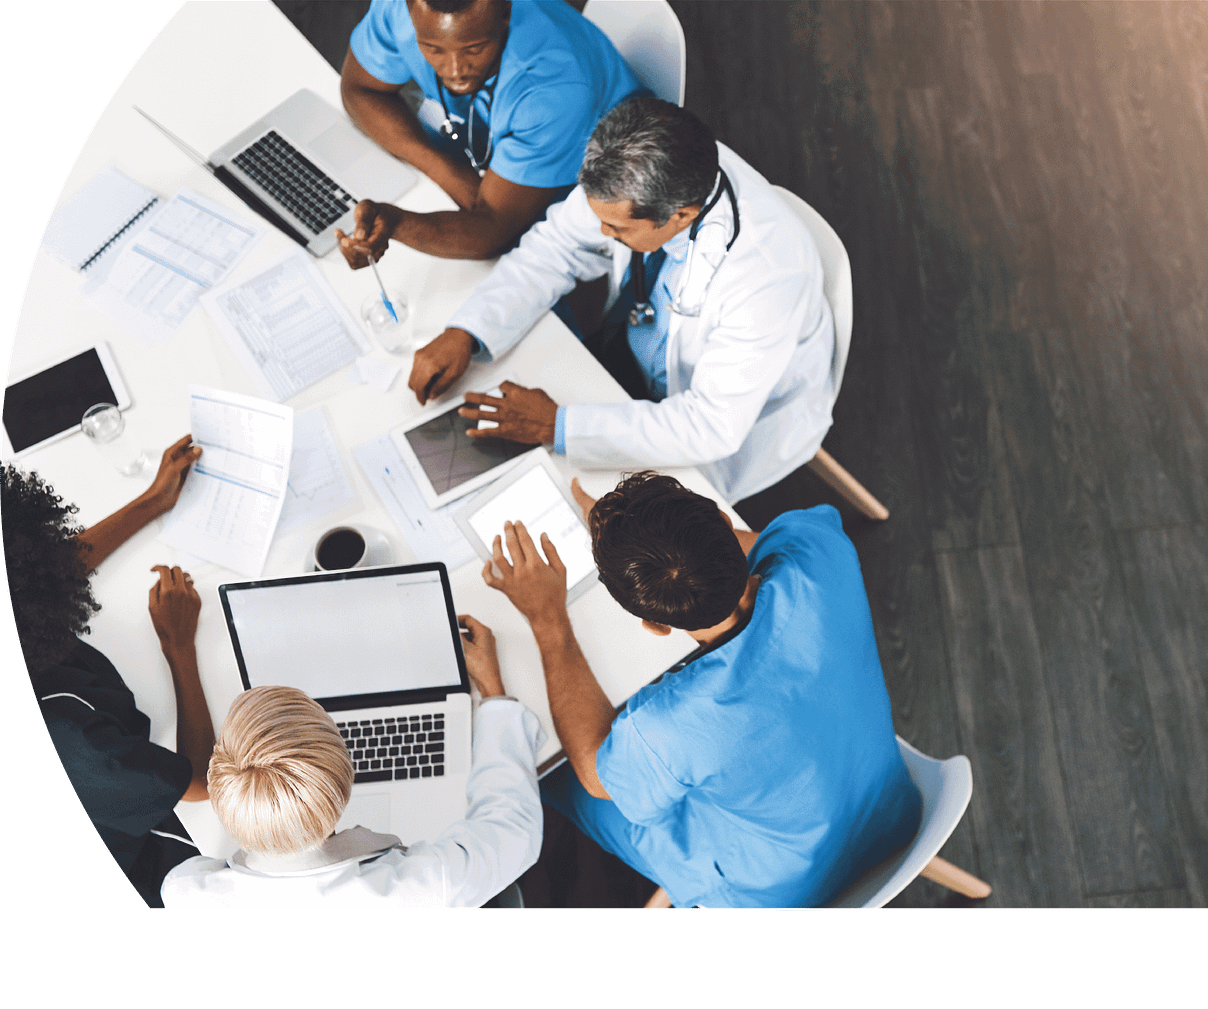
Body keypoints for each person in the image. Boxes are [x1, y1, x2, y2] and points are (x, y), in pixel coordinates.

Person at [481, 471, 920, 908]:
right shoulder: (818, 553)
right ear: (725, 524)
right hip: (892, 813)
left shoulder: (671, 725)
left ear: (654, 625)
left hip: (776, 898)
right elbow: (761, 543)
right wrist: (658, 541)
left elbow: (597, 777)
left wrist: (548, 619)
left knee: (555, 773)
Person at [408, 99, 836, 503]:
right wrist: (468, 329)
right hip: (628, 362)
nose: (602, 234)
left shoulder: (765, 278)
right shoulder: (633, 172)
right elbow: (554, 247)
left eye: (617, 229)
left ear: (682, 215)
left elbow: (710, 425)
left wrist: (559, 426)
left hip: (724, 424)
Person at [160, 617, 545, 908]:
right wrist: (494, 694)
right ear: (347, 773)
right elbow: (513, 830)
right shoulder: (428, 885)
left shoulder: (187, 893)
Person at [10, 436, 212, 910]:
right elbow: (201, 783)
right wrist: (179, 648)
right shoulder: (73, 739)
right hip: (154, 869)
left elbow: (40, 571)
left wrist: (151, 501)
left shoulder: (30, 611)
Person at [336, 0, 643, 268]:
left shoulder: (555, 89)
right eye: (432, 48)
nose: (455, 70)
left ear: (505, 13)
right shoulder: (400, 3)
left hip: (585, 184)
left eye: (474, 48)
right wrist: (445, 170)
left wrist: (395, 223)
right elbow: (359, 89)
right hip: (493, 153)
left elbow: (493, 233)